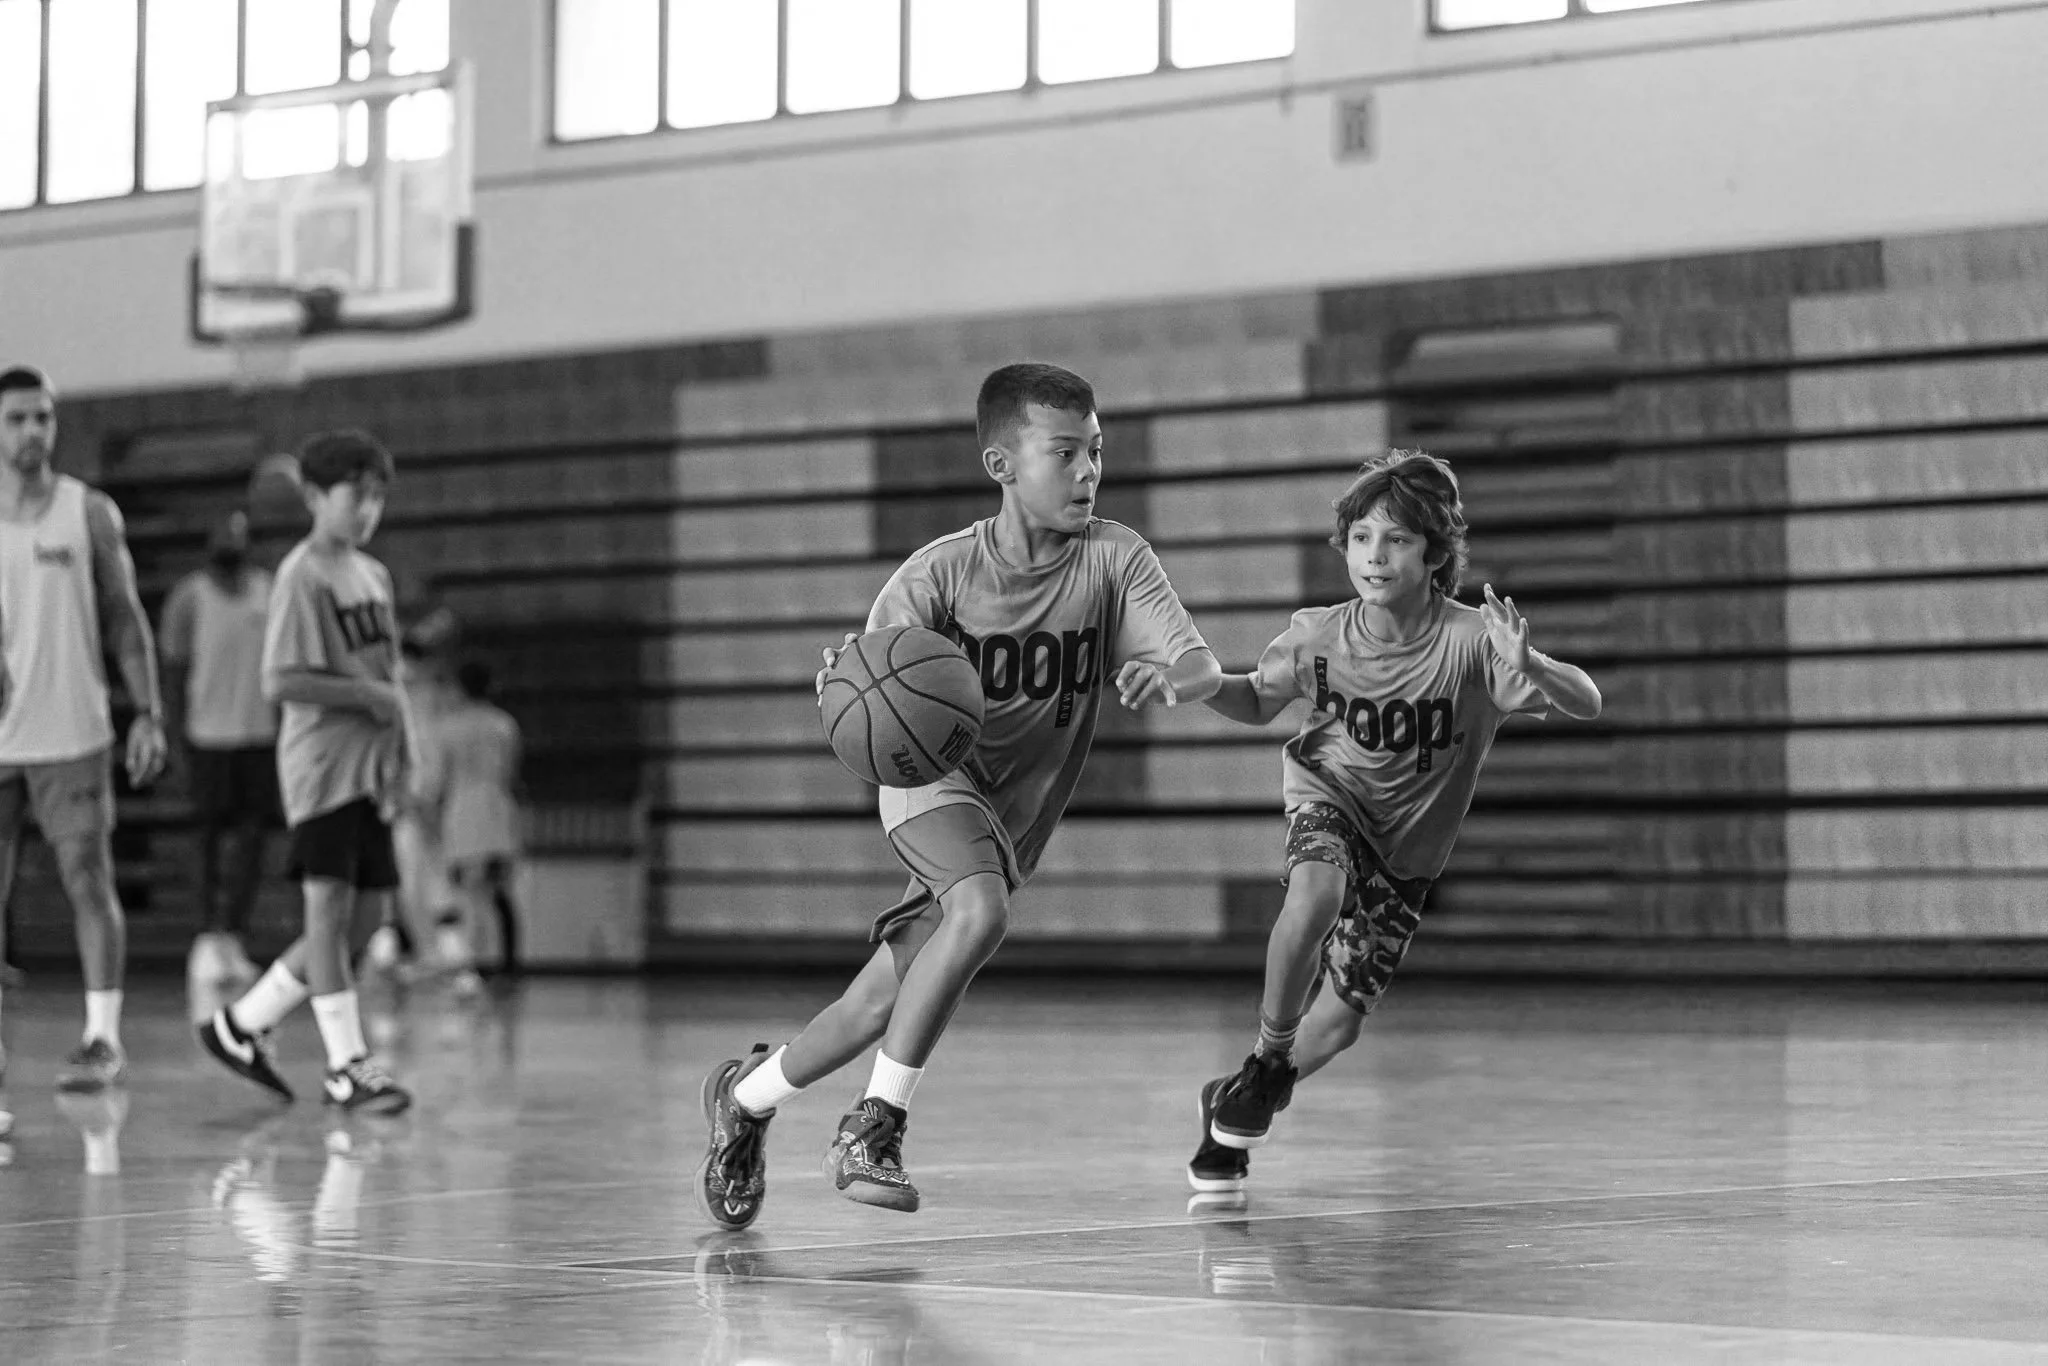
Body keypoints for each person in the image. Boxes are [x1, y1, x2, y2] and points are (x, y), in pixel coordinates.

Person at [695, 362, 1221, 1230]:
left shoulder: (1116, 558)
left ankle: (742, 1099)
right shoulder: (939, 575)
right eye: (1066, 454)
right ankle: (873, 1128)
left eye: (1096, 453)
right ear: (1002, 465)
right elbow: (869, 679)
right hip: (930, 781)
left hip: (1011, 818)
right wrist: (846, 679)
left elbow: (1195, 658)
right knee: (978, 915)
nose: (1089, 471)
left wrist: (1179, 679)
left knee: (873, 1005)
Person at [1184, 450, 1603, 1196]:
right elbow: (1253, 698)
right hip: (1329, 797)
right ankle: (1265, 1057)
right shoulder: (1319, 634)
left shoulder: (1475, 641)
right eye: (1361, 539)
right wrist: (1201, 684)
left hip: (1409, 852)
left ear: (1435, 554)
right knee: (1312, 896)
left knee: (1341, 1025)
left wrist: (1532, 663)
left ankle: (1240, 1094)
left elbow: (1588, 700)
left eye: (1398, 539)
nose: (1375, 555)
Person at [197, 429, 413, 1115]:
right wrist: (366, 698)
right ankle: (347, 1066)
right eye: (358, 495)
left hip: (370, 772)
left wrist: (403, 753)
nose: (369, 509)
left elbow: (392, 678)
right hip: (321, 769)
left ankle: (242, 1024)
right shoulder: (301, 574)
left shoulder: (371, 574)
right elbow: (281, 678)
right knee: (328, 911)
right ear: (317, 496)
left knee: (365, 919)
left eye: (379, 496)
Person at [0, 364, 168, 1105]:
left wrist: (149, 711)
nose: (33, 431)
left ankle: (104, 1036)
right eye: (16, 419)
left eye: (43, 417)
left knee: (88, 882)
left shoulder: (88, 511)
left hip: (73, 731)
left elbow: (125, 619)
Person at [160, 510, 278, 993]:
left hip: (259, 734)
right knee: (207, 839)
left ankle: (234, 934)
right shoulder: (189, 596)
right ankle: (206, 935)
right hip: (206, 735)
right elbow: (172, 669)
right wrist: (171, 732)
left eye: (238, 532)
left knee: (253, 840)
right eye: (222, 531)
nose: (230, 539)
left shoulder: (269, 591)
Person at [413, 660, 524, 992]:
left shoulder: (448, 728)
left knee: (467, 894)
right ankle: (508, 964)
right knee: (499, 892)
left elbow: (436, 780)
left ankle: (471, 965)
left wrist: (426, 815)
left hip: (463, 813)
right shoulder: (505, 725)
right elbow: (512, 772)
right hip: (499, 809)